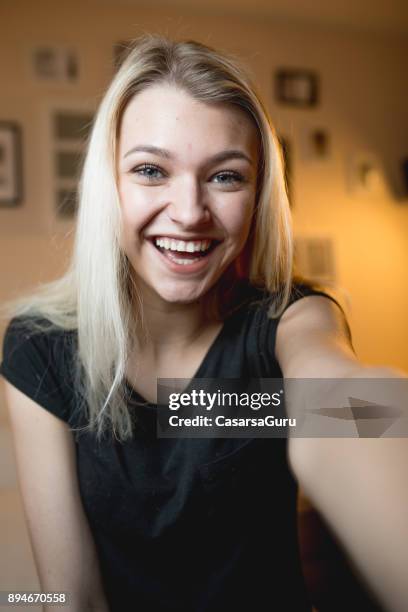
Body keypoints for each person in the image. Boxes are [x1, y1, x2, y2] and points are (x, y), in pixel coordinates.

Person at [0, 35, 407, 612]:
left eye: (225, 177)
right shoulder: (41, 348)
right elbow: (69, 598)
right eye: (150, 169)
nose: (190, 212)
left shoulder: (287, 320)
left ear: (259, 193)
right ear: (108, 187)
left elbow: (339, 403)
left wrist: (380, 422)